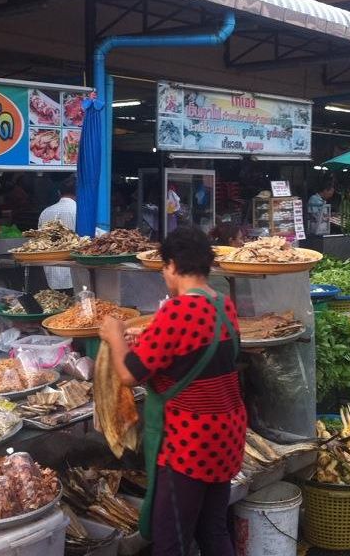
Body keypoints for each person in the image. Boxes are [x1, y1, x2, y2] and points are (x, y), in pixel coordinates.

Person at [99, 227, 245, 556]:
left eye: (164, 267)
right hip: (227, 437)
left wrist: (114, 335)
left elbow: (128, 374)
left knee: (170, 540)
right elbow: (185, 352)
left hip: (190, 445)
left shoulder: (175, 311)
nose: (164, 274)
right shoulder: (224, 305)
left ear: (173, 265)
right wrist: (140, 341)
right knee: (213, 530)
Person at [38, 176, 77, 292]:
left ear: (59, 192)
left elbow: (39, 241)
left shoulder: (45, 212)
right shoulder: (79, 211)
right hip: (74, 267)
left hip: (51, 268)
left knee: (57, 301)